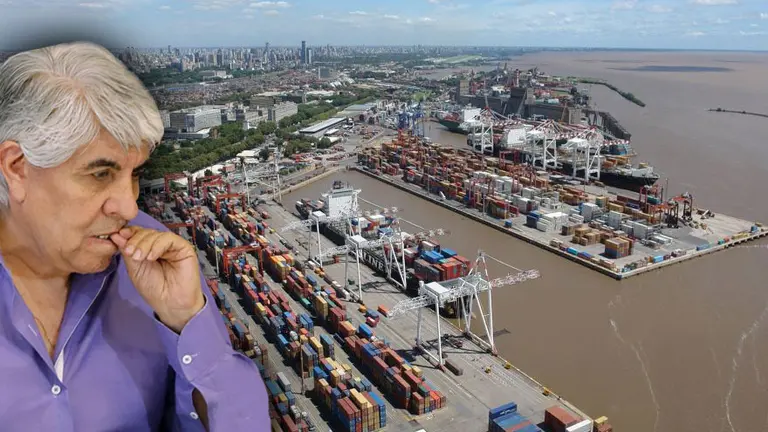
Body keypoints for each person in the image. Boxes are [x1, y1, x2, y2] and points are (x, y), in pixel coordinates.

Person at [0, 42, 269, 430]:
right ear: (17, 168)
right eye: (100, 174)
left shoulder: (157, 259)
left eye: (136, 174)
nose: (128, 206)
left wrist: (187, 321)